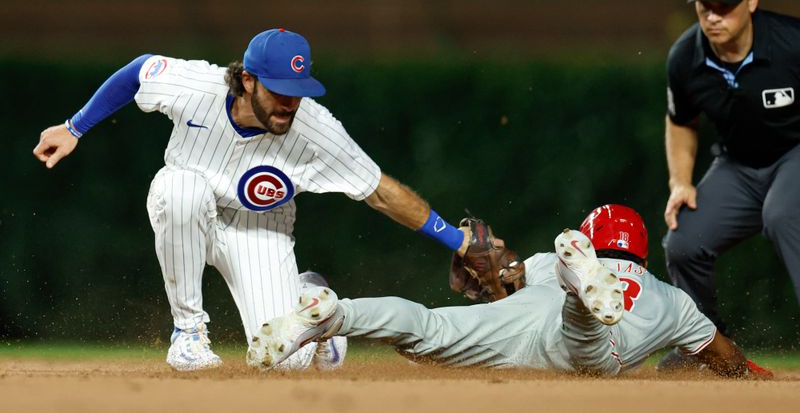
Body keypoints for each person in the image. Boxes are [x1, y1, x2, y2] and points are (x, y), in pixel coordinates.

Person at [32, 28, 473, 371]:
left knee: (287, 364)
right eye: (279, 89)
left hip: (260, 231)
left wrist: (457, 241)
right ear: (247, 79)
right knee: (179, 188)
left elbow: (378, 189)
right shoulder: (197, 86)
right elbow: (138, 70)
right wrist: (74, 128)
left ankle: (311, 299)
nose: (290, 102)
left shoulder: (317, 129)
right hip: (191, 208)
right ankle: (187, 333)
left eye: (297, 90)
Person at [248, 205, 771, 378]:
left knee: (428, 327)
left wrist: (488, 272)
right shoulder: (674, 300)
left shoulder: (543, 262)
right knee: (587, 331)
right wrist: (752, 374)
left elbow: (509, 277)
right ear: (640, 253)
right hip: (589, 351)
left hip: (526, 320)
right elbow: (723, 357)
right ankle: (581, 290)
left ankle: (333, 315)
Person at [662, 0, 800, 335]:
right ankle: (704, 347)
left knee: (784, 215)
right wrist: (680, 181)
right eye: (705, 5)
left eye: (725, 5)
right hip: (739, 166)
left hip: (794, 154)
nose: (713, 15)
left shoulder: (792, 44)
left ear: (752, 0)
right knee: (684, 243)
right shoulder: (685, 57)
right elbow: (680, 121)